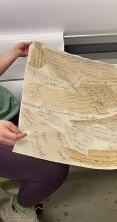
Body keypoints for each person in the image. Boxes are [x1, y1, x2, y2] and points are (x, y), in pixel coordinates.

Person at [0, 42, 69, 222]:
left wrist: (13, 53)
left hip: (9, 117)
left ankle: (7, 177)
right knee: (53, 171)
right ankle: (16, 210)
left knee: (60, 140)